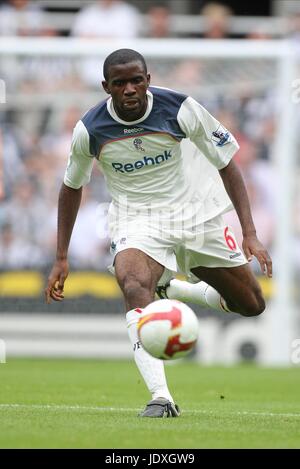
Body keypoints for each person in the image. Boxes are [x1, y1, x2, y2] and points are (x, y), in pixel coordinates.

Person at [45, 48, 272, 418]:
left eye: (137, 80)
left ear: (148, 80)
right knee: (133, 284)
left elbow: (227, 163)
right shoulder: (90, 129)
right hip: (138, 220)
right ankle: (161, 398)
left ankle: (177, 289)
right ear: (107, 87)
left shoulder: (180, 108)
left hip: (195, 215)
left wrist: (250, 232)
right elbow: (71, 187)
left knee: (251, 305)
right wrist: (61, 256)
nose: (130, 89)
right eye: (120, 83)